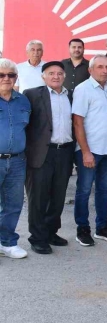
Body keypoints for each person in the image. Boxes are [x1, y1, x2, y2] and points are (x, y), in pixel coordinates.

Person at [24, 61, 74, 255]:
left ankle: (51, 232)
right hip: (41, 153)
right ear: (43, 76)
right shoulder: (32, 94)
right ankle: (37, 238)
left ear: (64, 76)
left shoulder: (71, 95)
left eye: (59, 73)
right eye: (51, 73)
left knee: (58, 196)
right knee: (38, 197)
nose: (56, 76)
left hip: (65, 152)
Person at [72, 55, 107, 246]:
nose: (104, 70)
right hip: (90, 150)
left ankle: (102, 227)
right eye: (100, 67)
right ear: (90, 70)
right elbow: (77, 122)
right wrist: (85, 152)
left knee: (103, 190)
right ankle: (82, 229)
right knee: (83, 191)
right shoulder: (83, 89)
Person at [0, 58, 31, 259]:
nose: (6, 78)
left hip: (17, 161)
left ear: (16, 77)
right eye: (1, 75)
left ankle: (7, 243)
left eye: (11, 75)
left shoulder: (23, 101)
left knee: (13, 204)